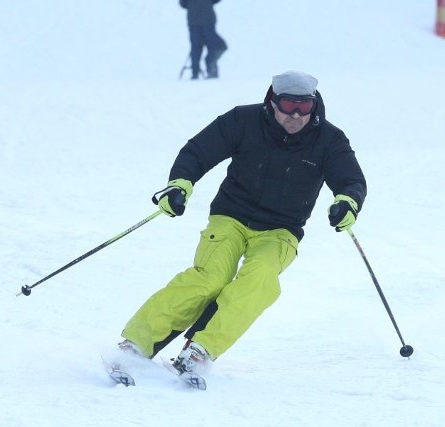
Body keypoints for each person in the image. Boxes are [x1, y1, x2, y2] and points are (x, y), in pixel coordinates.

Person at [117, 70, 367, 375]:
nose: (297, 115)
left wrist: (347, 202)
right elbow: (198, 151)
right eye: (289, 105)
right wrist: (180, 185)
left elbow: (351, 179)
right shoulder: (243, 121)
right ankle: (136, 343)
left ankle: (201, 350)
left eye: (305, 106)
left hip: (280, 231)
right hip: (230, 216)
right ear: (272, 101)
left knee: (260, 280)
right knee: (210, 278)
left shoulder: (329, 139)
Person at [179, 0, 227, 79]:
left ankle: (195, 73)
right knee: (211, 46)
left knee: (195, 47)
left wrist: (192, 6)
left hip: (193, 22)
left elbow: (182, 3)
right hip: (208, 21)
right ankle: (211, 69)